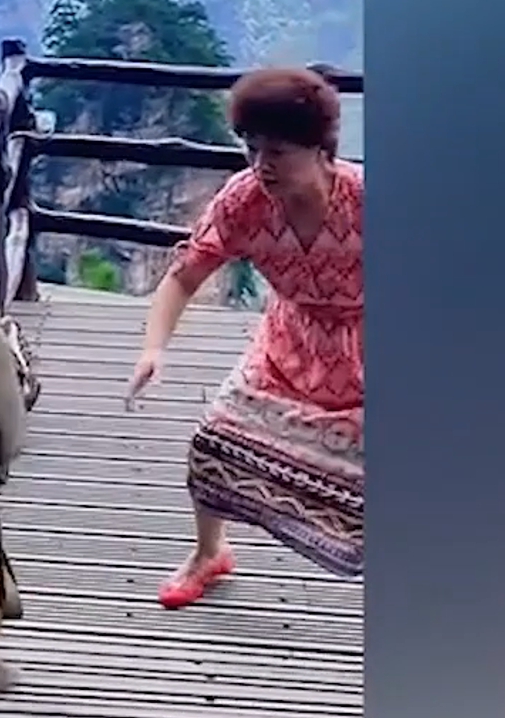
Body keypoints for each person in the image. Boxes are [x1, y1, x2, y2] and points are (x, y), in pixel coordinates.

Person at [123, 67, 363, 610]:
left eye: (277, 151)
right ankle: (210, 552)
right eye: (252, 149)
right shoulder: (244, 200)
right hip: (290, 341)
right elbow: (184, 274)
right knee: (213, 441)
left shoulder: (366, 201)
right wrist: (154, 348)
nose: (261, 165)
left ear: (319, 147)